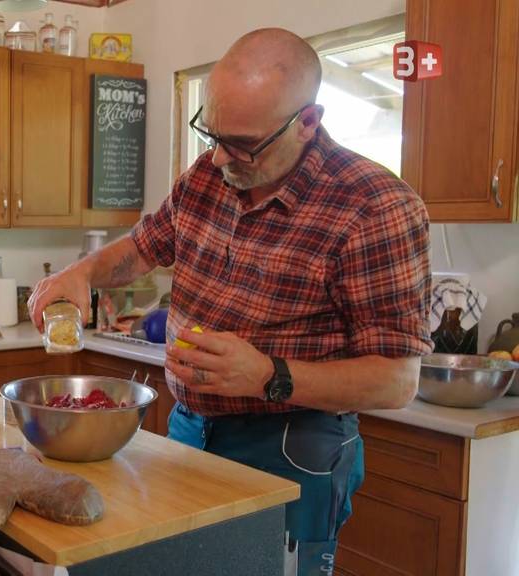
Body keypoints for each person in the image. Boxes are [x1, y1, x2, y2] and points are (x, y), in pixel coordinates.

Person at [29, 29, 431, 575]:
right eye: (211, 134)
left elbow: (397, 381)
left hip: (289, 444)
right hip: (190, 428)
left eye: (242, 143)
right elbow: (144, 248)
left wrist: (267, 375)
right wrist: (82, 273)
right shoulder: (209, 174)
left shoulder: (376, 208)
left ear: (308, 122)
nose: (218, 157)